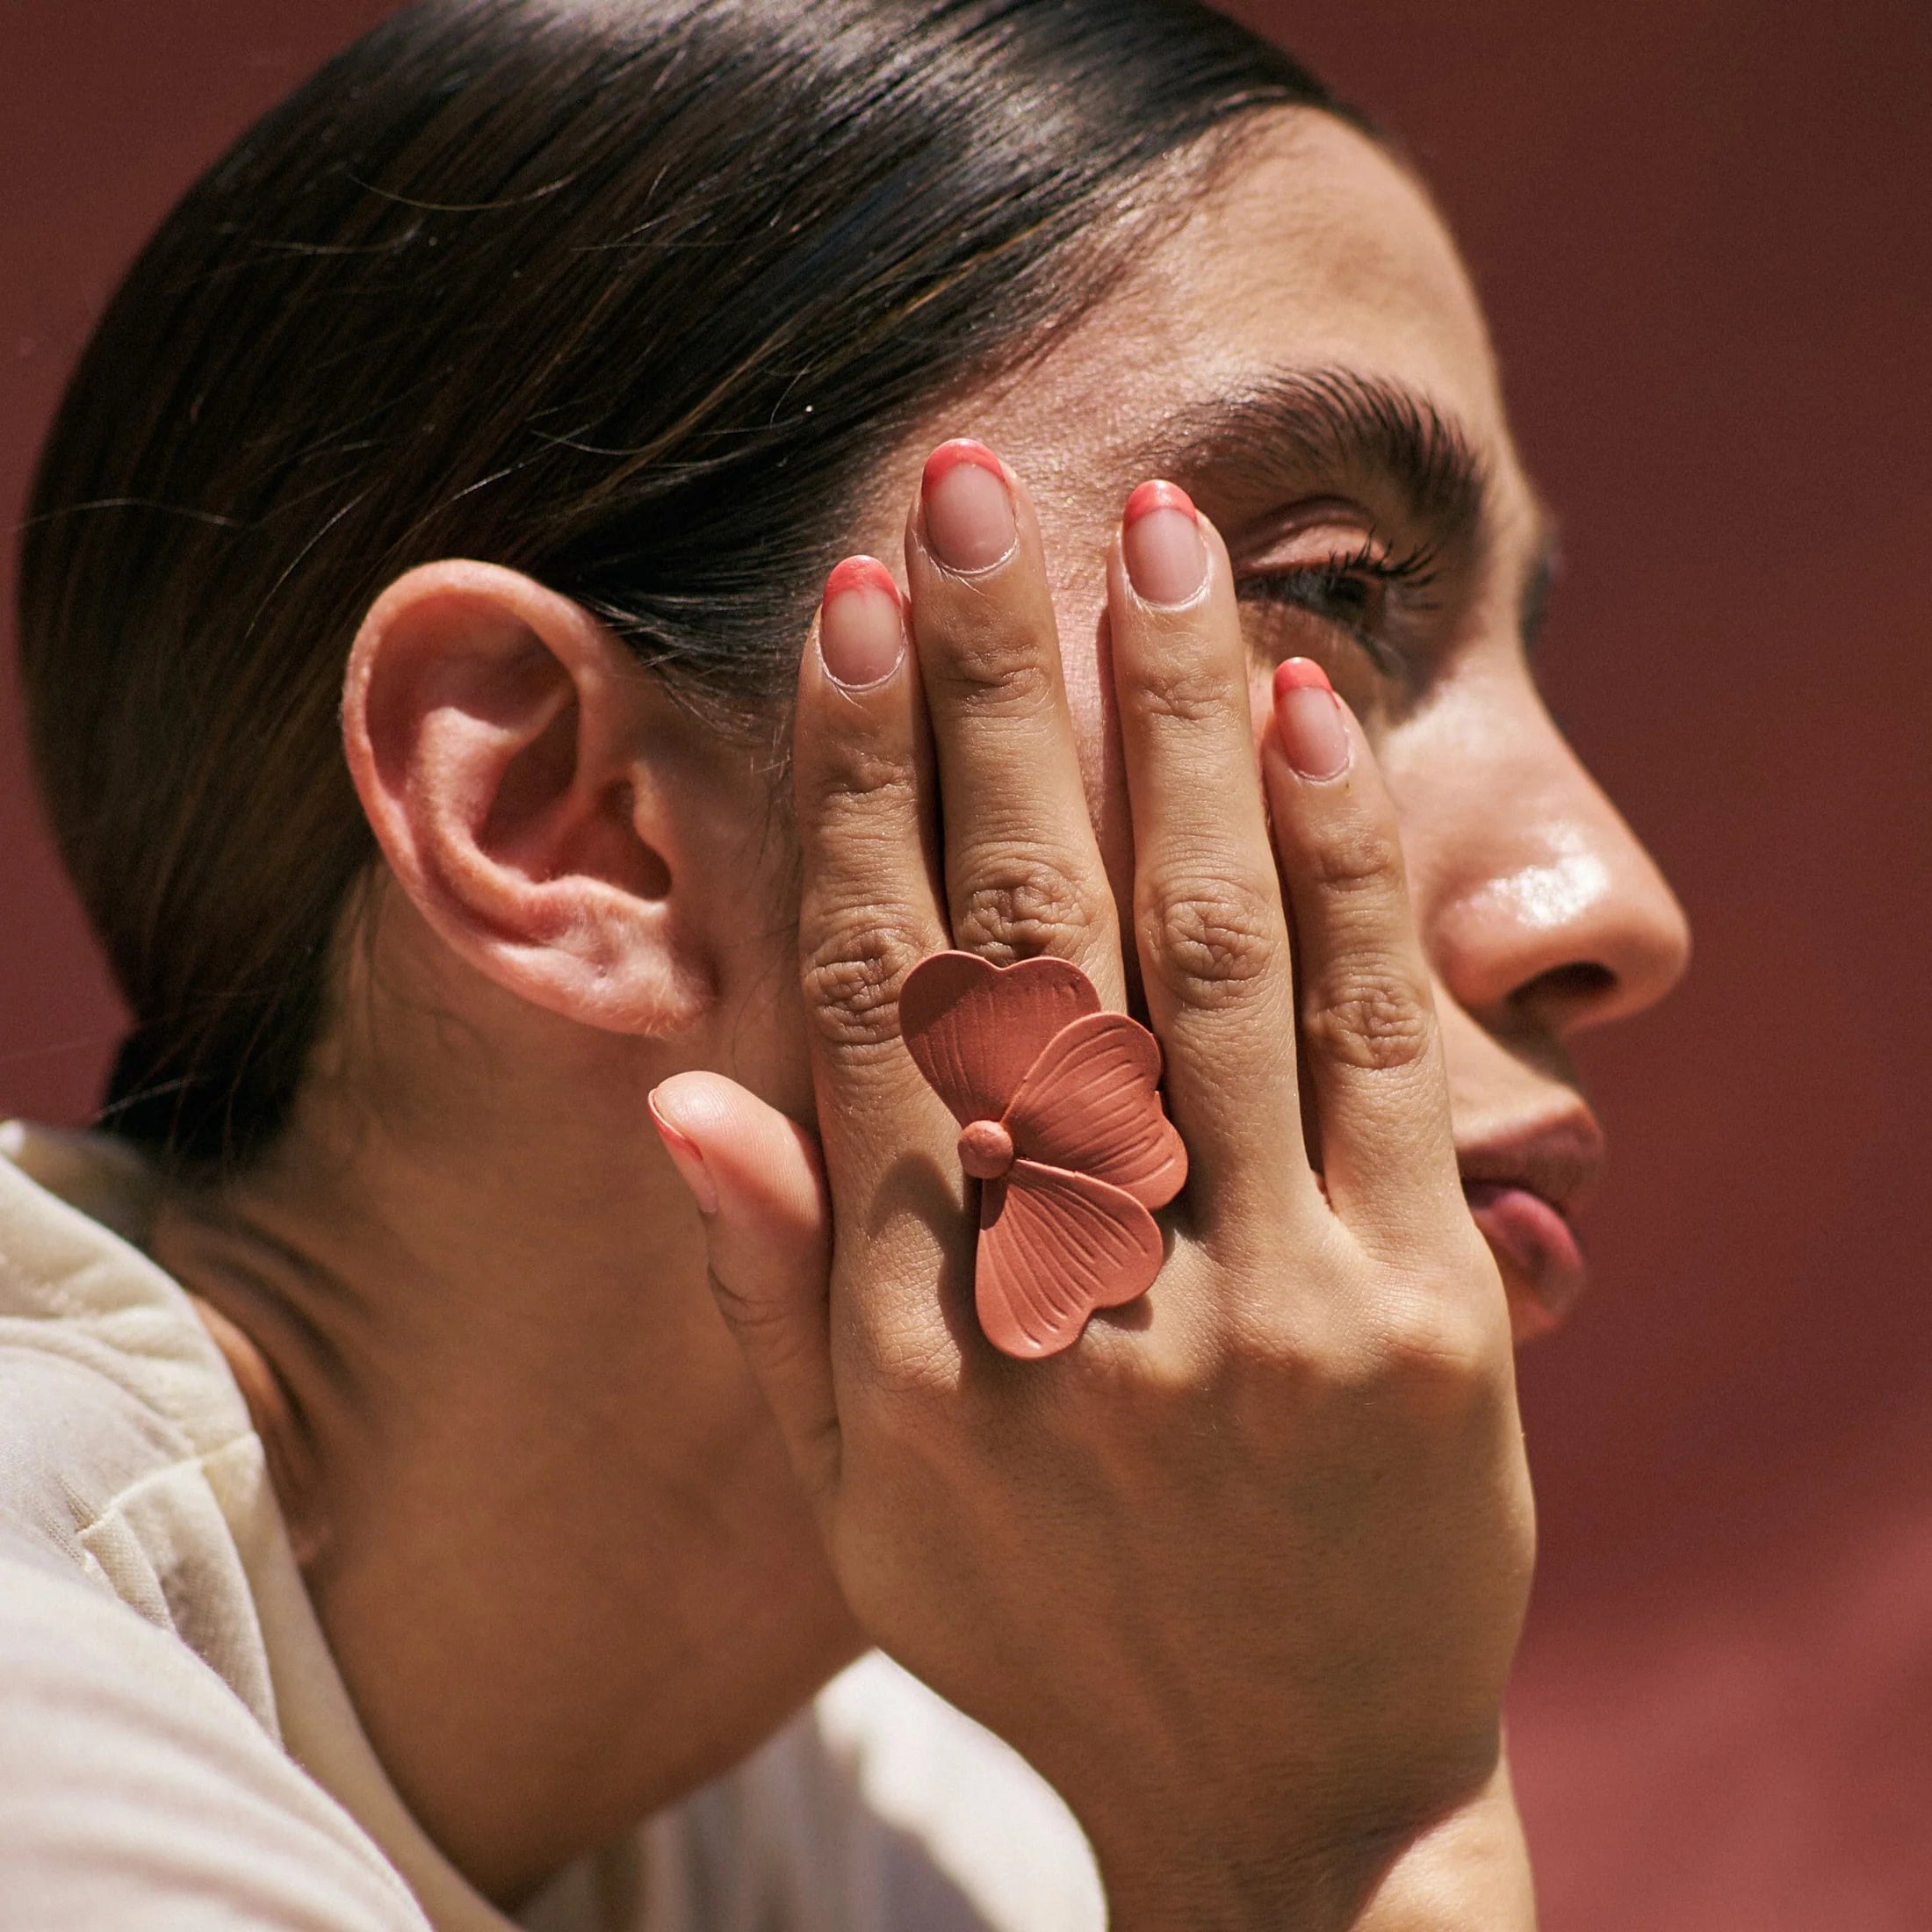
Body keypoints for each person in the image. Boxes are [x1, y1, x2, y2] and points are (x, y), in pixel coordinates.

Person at [1, 0, 1690, 1925]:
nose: (1606, 898)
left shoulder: (933, 1832)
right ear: (568, 815)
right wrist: (1335, 1848)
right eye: (1318, 596)